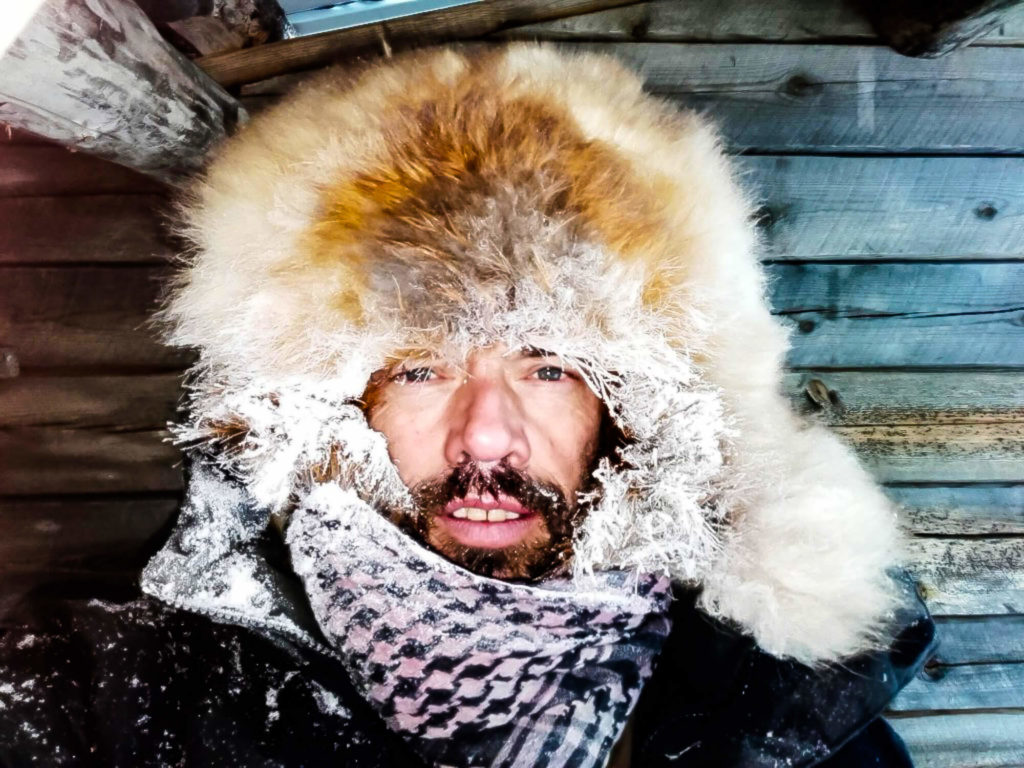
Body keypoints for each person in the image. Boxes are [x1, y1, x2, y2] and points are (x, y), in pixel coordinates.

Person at [0, 44, 935, 767]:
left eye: (549, 369)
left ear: (638, 414)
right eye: (419, 370)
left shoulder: (781, 712)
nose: (486, 434)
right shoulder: (111, 691)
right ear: (322, 409)